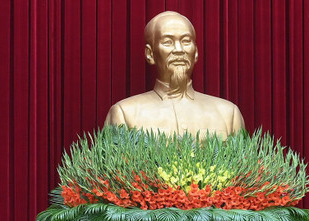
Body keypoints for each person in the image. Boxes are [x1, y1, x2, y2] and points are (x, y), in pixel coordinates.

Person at [105, 11, 245, 138]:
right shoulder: (125, 114)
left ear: (195, 52)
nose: (179, 50)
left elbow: (245, 164)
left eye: (186, 41)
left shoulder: (228, 114)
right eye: (168, 42)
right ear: (150, 54)